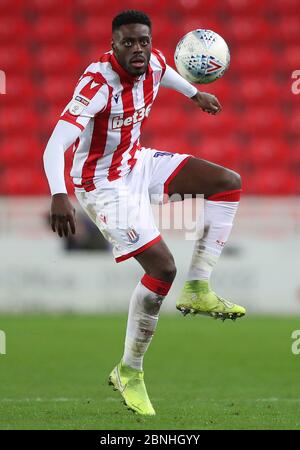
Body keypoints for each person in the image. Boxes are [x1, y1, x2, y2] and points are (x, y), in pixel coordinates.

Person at [43, 10, 246, 416]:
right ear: (113, 44)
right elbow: (53, 145)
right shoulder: (98, 84)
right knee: (161, 268)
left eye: (144, 41)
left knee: (227, 182)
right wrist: (59, 194)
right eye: (128, 42)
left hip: (136, 163)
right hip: (100, 184)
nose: (138, 49)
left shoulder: (152, 63)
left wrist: (195, 94)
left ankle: (199, 288)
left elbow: (165, 72)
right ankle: (129, 370)